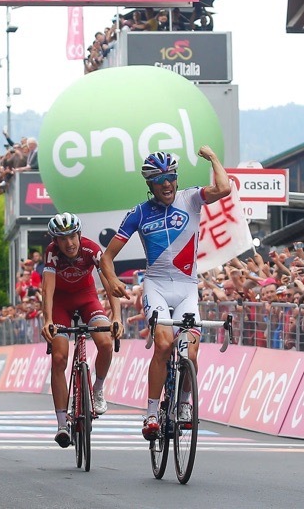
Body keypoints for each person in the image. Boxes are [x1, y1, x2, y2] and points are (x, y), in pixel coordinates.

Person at [99, 147, 231, 440]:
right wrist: (112, 281)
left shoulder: (191, 198)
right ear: (150, 184)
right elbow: (106, 258)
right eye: (160, 180)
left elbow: (224, 188)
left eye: (171, 176)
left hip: (186, 288)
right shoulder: (139, 214)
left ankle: (185, 405)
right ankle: (150, 413)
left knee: (190, 351)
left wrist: (212, 159)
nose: (167, 183)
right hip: (156, 286)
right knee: (163, 345)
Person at [39, 212, 122, 448]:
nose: (69, 243)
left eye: (72, 237)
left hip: (87, 299)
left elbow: (109, 281)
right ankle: (62, 423)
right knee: (59, 357)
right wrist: (47, 320)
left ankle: (97, 389)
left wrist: (116, 316)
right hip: (60, 304)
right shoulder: (52, 253)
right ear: (56, 241)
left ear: (79, 234)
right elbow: (48, 288)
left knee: (105, 343)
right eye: (62, 239)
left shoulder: (90, 249)